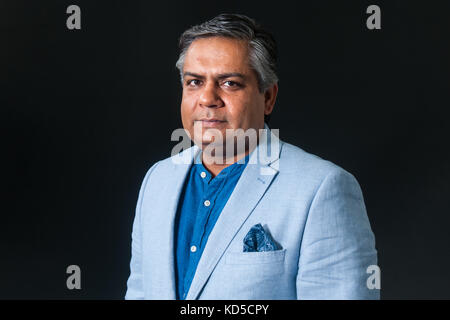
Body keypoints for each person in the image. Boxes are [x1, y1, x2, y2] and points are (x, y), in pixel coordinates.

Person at [125, 13, 379, 300]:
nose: (208, 98)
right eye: (194, 82)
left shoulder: (322, 188)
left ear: (268, 97)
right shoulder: (157, 180)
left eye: (230, 83)